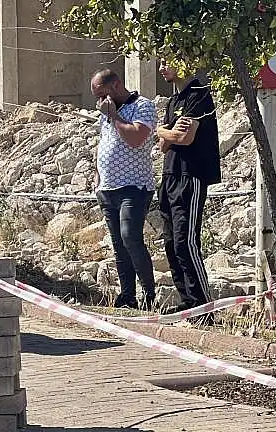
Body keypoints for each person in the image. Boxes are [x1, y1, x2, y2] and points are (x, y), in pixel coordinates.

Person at [156, 62, 221, 318]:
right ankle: (187, 301)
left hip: (190, 176)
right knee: (171, 242)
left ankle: (203, 306)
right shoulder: (173, 101)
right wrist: (167, 132)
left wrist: (163, 130)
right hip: (169, 174)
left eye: (167, 62)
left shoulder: (199, 95)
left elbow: (185, 138)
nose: (162, 68)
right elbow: (163, 145)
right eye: (160, 62)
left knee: (186, 242)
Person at [90, 68, 157, 311]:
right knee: (118, 243)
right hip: (107, 188)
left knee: (130, 237)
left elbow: (136, 138)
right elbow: (105, 143)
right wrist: (98, 174)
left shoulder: (142, 106)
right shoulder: (106, 113)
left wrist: (114, 116)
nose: (100, 101)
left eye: (103, 94)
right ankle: (128, 295)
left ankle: (149, 295)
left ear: (117, 86)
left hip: (134, 186)